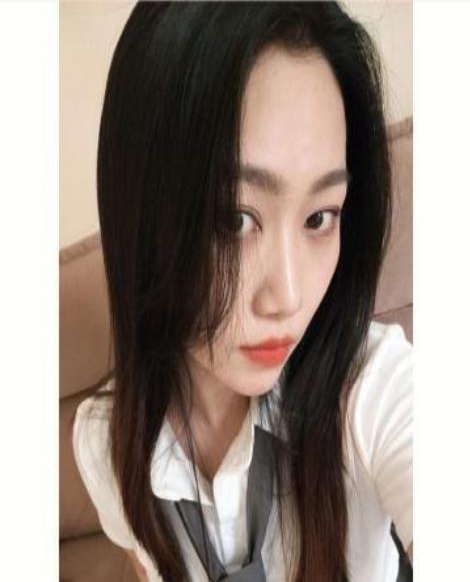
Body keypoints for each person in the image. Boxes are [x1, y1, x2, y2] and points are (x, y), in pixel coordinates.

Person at [72, 2, 413, 582]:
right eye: (234, 218)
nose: (287, 297)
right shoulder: (105, 439)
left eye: (319, 217)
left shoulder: (375, 390)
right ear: (140, 213)